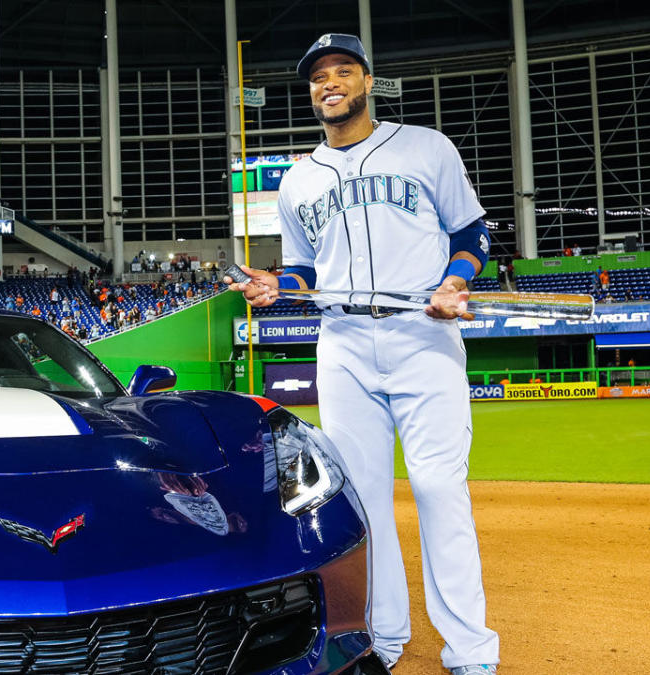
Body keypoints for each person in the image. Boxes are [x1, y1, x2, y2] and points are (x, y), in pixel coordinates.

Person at [225, 34, 499, 675]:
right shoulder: (298, 179)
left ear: (367, 81)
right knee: (364, 497)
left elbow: (472, 232)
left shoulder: (425, 147)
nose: (330, 82)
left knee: (438, 487)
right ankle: (384, 638)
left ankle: (471, 654)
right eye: (319, 76)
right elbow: (300, 270)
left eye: (343, 70)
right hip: (344, 342)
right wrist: (276, 286)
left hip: (421, 336)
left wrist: (455, 281)